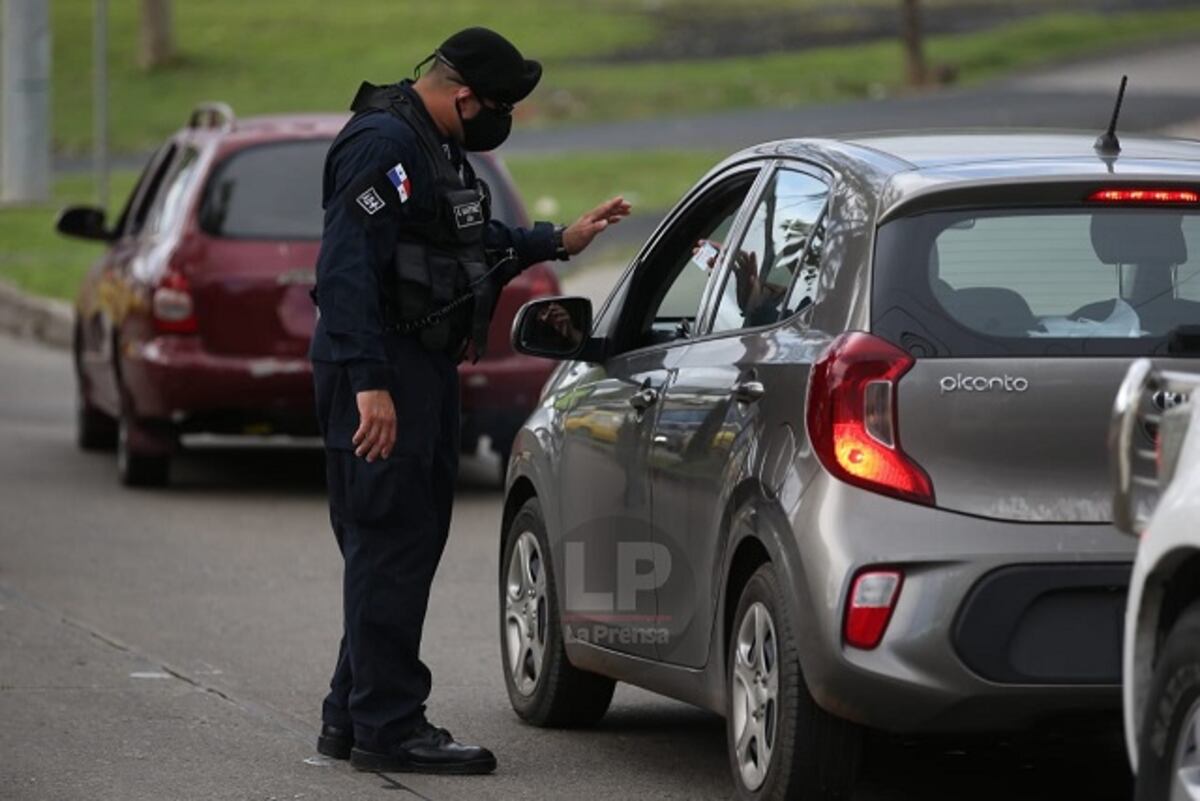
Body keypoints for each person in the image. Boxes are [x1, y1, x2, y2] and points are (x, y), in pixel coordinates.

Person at [308, 27, 630, 775]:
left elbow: (460, 236)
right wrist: (369, 384)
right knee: (390, 542)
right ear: (463, 95)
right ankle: (388, 726)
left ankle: (349, 715)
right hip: (385, 366)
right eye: (500, 103)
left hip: (417, 367)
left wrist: (556, 240)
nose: (503, 118)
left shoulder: (430, 142)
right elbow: (345, 266)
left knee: (398, 544)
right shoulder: (384, 145)